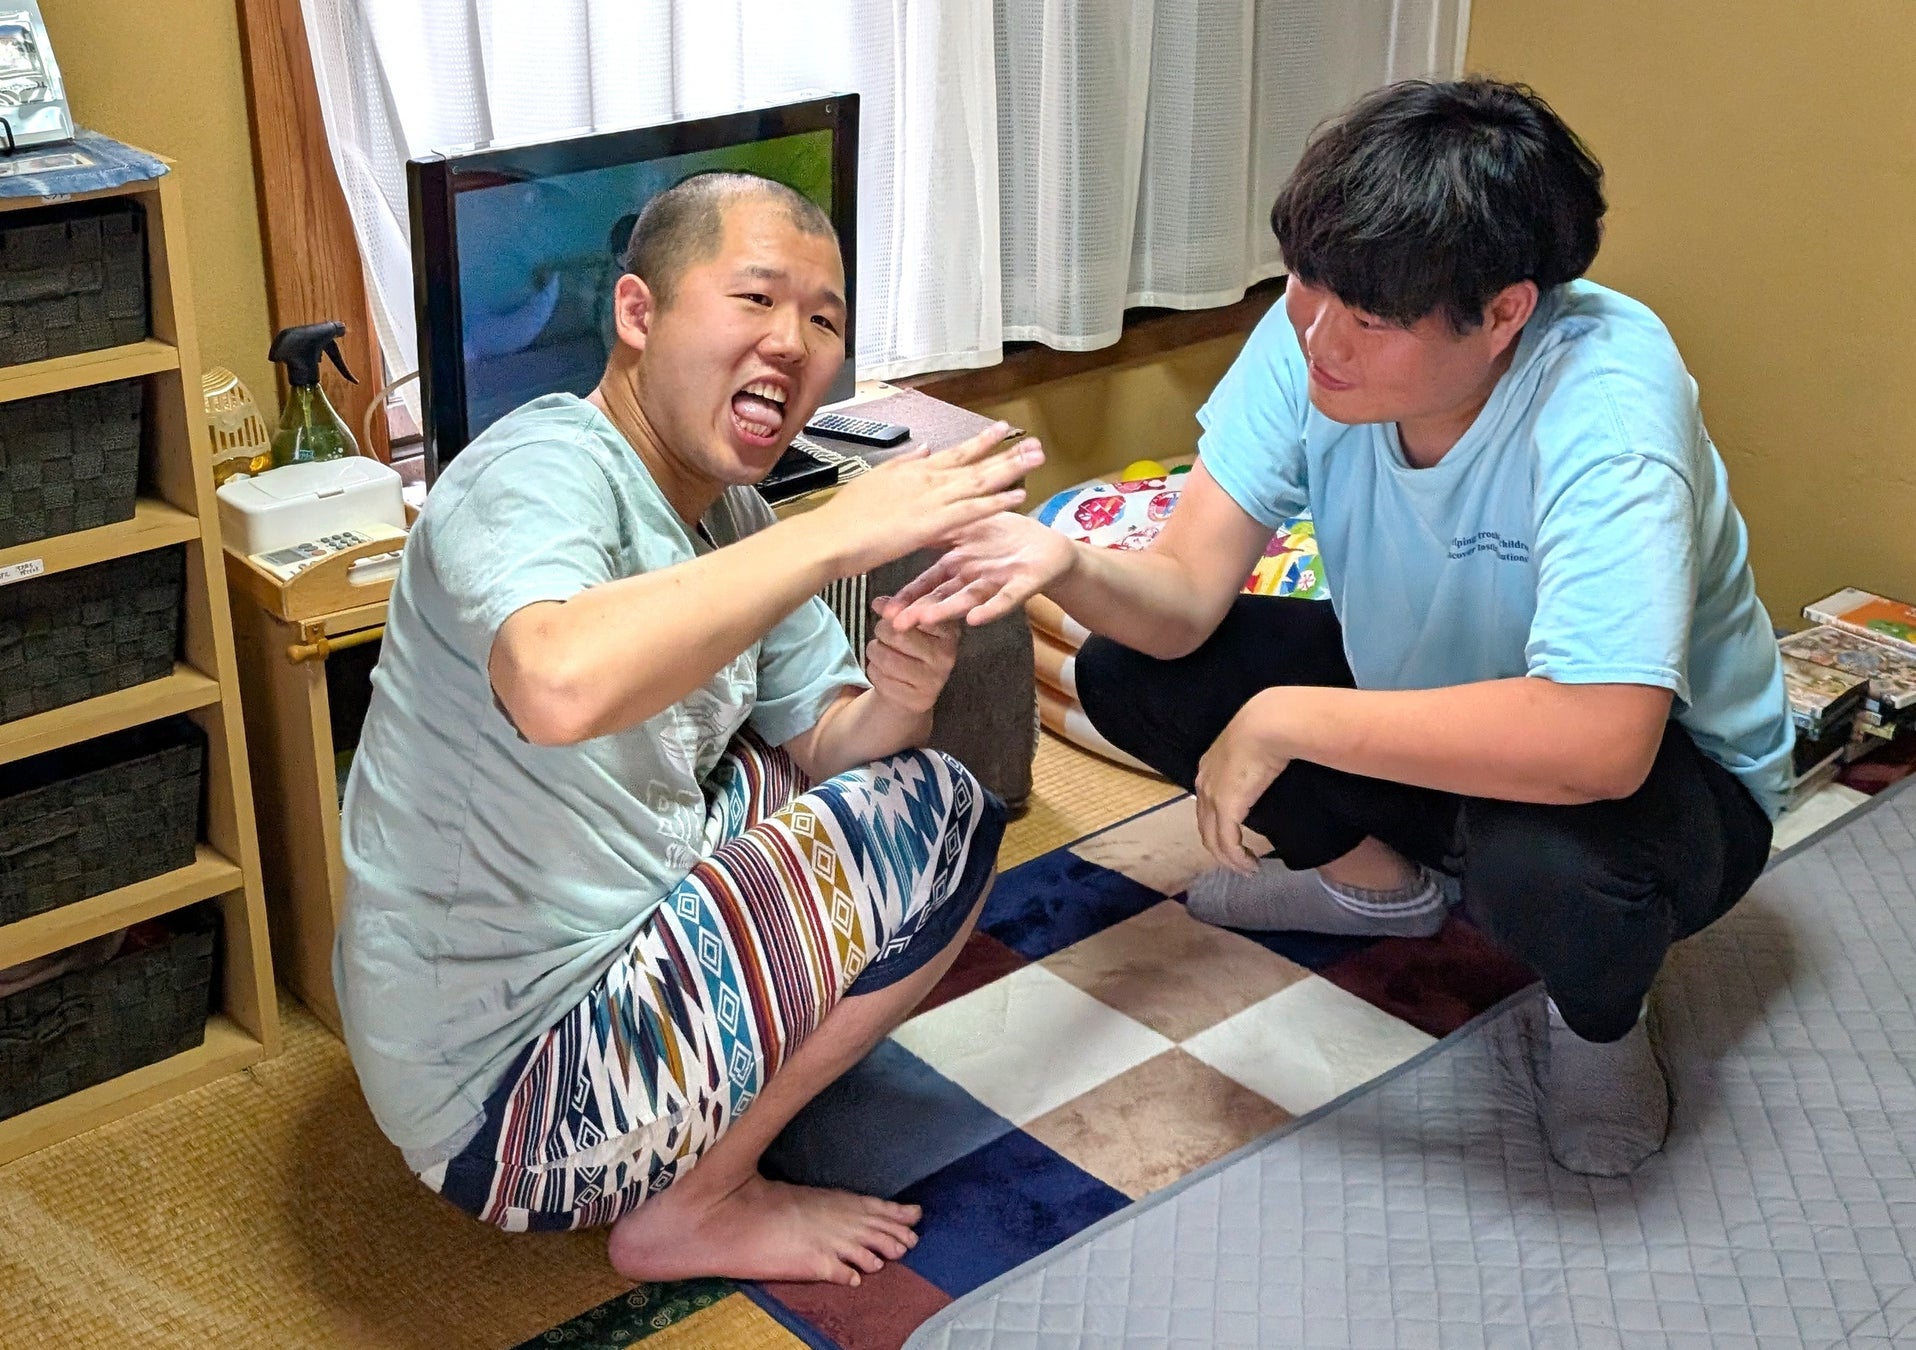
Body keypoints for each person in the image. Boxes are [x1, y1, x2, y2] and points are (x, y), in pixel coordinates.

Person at [889, 79, 1791, 1177]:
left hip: (1669, 780)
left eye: (1368, 317)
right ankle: (1376, 884)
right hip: (1423, 709)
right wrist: (1068, 563)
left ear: (1504, 311)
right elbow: (1181, 592)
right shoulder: (1311, 328)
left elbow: (1599, 741)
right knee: (1127, 670)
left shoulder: (1607, 406)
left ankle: (1595, 1021)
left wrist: (1285, 719)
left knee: (1539, 858)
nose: (1319, 335)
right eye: (1308, 285)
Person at [334, 171, 1044, 1283]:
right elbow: (555, 682)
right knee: (943, 817)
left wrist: (904, 690)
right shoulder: (538, 468)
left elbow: (829, 745)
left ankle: (706, 1106)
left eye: (822, 320)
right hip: (504, 1099)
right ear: (636, 314)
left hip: (590, 962)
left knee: (845, 770)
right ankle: (697, 1206)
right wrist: (833, 537)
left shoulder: (728, 509)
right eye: (756, 300)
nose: (794, 344)